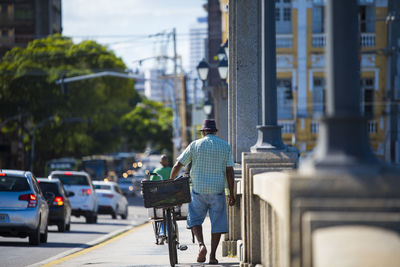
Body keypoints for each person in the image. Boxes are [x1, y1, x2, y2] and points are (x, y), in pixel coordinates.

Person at [169, 119, 236, 265]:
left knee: (195, 219)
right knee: (217, 223)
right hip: (217, 190)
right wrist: (232, 193)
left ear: (203, 132)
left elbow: (177, 165)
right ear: (215, 131)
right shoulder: (225, 146)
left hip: (198, 190)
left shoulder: (195, 145)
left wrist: (171, 183)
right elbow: (230, 172)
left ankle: (201, 245)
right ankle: (212, 256)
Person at [150, 155, 172, 245]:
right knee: (169, 215)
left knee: (161, 217)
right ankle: (168, 233)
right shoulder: (171, 170)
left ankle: (163, 233)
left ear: (160, 162)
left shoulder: (156, 171)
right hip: (172, 197)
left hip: (160, 198)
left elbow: (151, 185)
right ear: (168, 162)